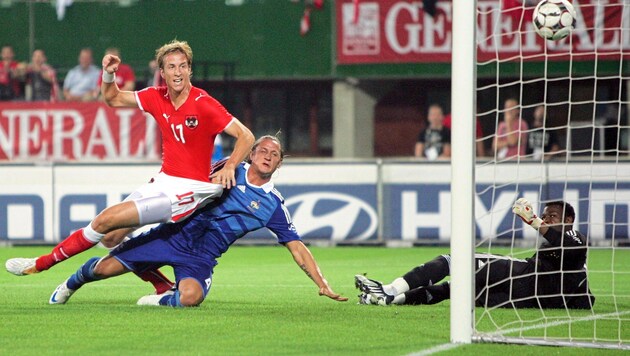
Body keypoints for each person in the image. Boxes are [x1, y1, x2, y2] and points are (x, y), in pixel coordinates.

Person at [6, 40, 255, 295]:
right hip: (164, 181)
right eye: (171, 67)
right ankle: (162, 285)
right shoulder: (156, 96)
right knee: (110, 238)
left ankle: (40, 264)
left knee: (105, 219)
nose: (177, 72)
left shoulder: (203, 102)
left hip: (188, 190)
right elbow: (112, 98)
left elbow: (246, 135)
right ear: (163, 71)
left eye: (182, 66)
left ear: (190, 69)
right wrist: (108, 74)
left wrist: (231, 165)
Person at [48, 135, 348, 307]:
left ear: (279, 163)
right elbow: (183, 184)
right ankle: (70, 285)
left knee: (190, 299)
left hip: (202, 258)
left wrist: (321, 283)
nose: (268, 156)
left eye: (274, 154)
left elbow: (297, 247)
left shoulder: (273, 206)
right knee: (102, 270)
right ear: (252, 153)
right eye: (263, 150)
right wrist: (133, 219)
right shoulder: (229, 168)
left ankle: (158, 300)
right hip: (171, 235)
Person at [355, 198, 595, 309]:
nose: (547, 220)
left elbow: (568, 246)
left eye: (552, 216)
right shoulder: (566, 255)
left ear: (569, 220)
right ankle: (391, 298)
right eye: (545, 216)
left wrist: (533, 221)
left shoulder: (575, 237)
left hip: (523, 280)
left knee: (455, 261)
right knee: (456, 291)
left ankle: (390, 290)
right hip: (524, 295)